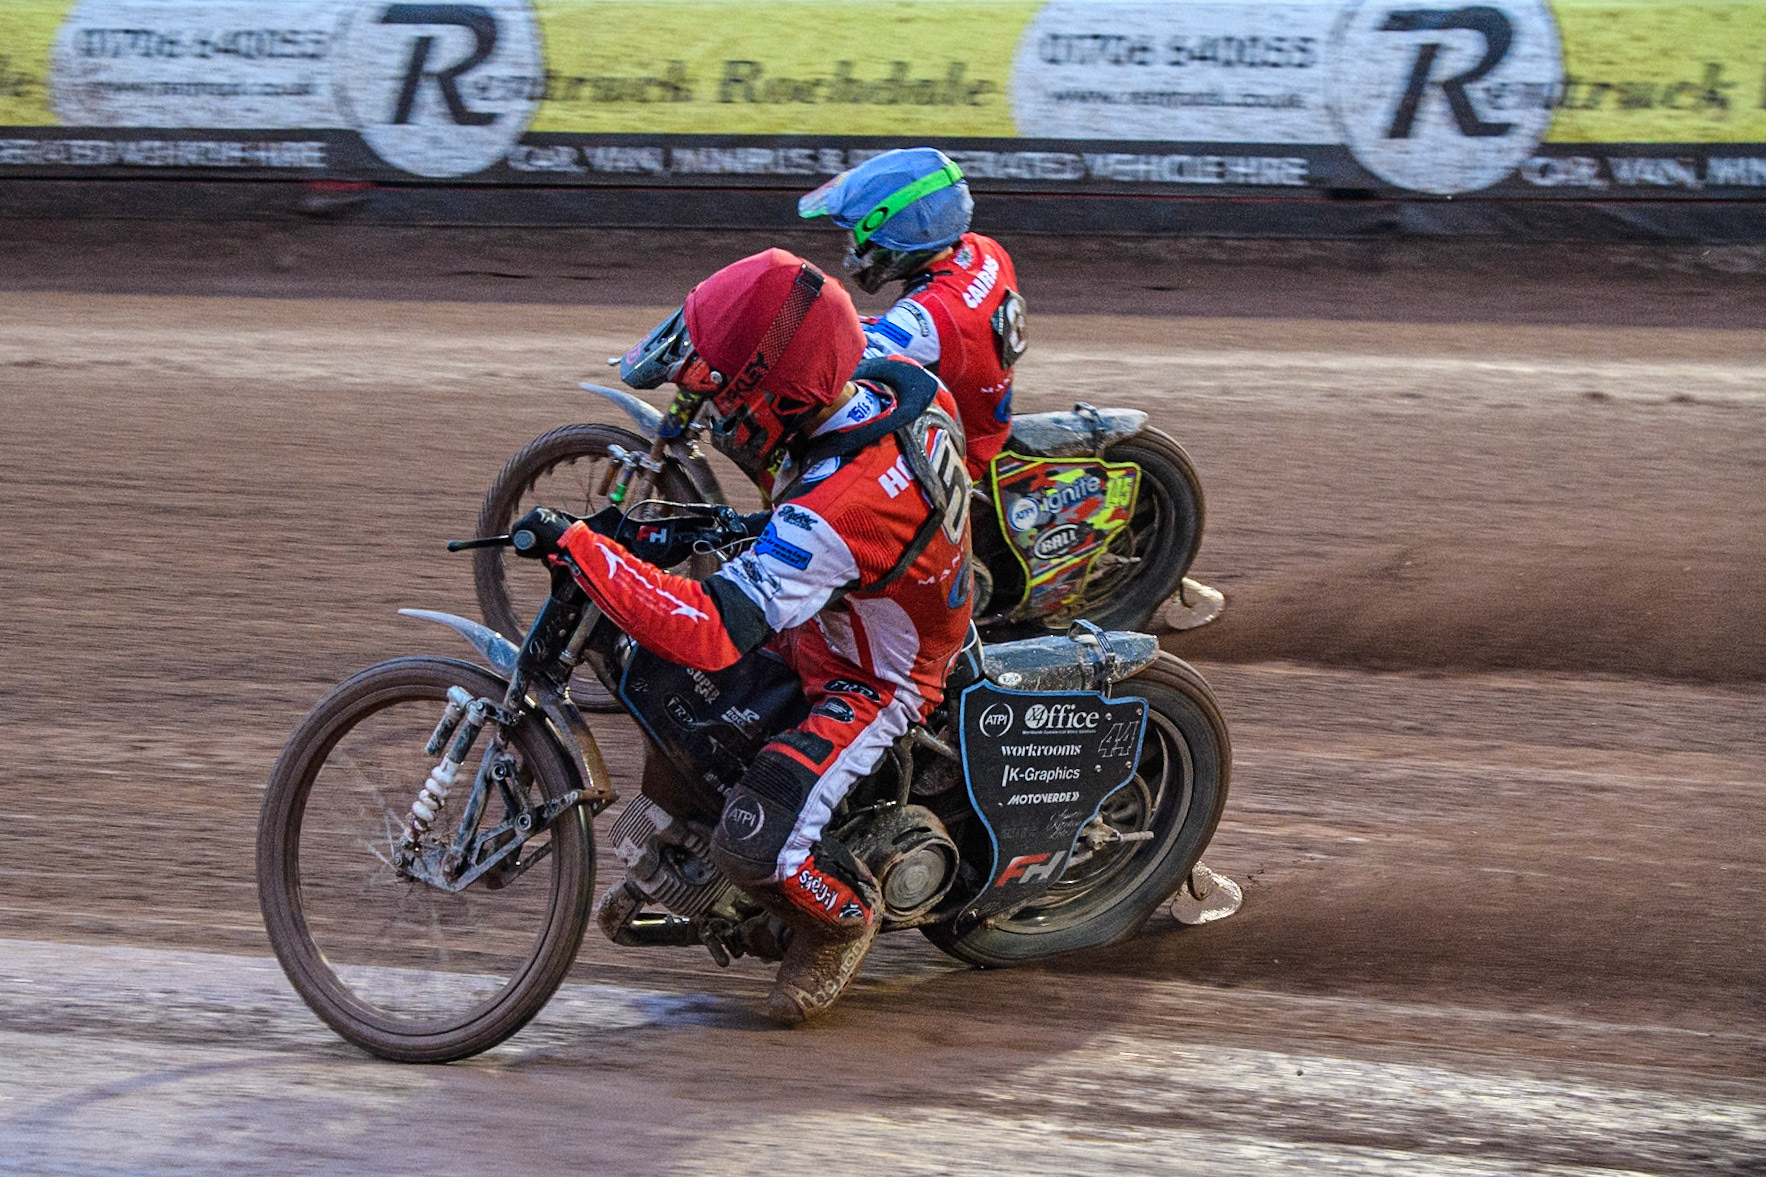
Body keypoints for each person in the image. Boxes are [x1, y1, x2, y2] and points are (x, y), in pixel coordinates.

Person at [513, 249, 973, 1025]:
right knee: (667, 697)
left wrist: (585, 551)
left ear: (779, 392)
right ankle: (687, 852)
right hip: (859, 598)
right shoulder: (888, 381)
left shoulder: (833, 510)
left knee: (757, 843)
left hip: (877, 677)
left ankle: (839, 921)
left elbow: (714, 631)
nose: (720, 413)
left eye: (729, 395)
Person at [799, 147, 1028, 480]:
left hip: (955, 460)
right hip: (982, 419)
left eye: (862, 239)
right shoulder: (983, 249)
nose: (856, 249)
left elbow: (840, 365)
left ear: (901, 231)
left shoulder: (925, 318)